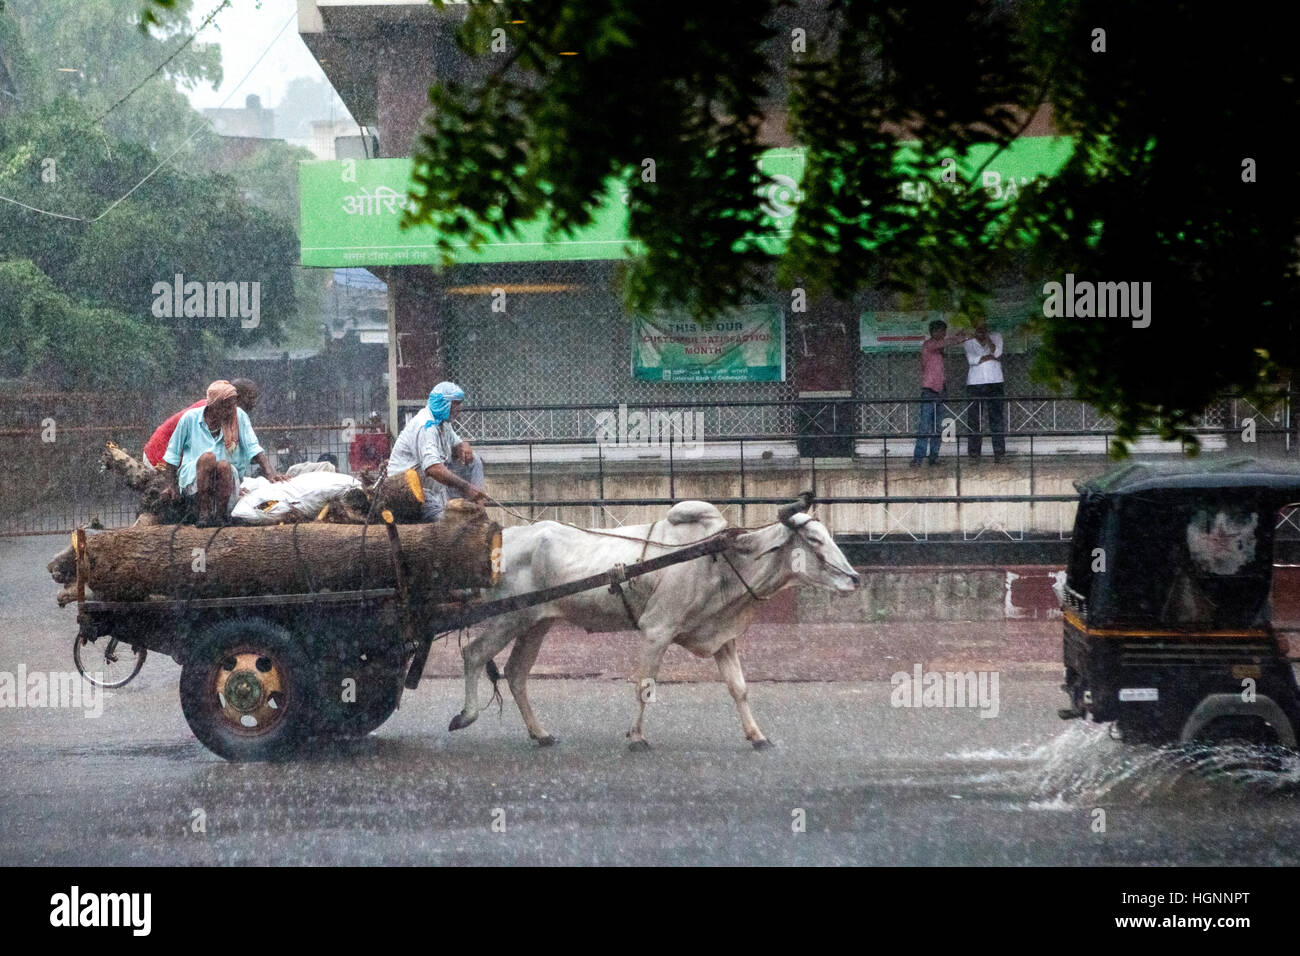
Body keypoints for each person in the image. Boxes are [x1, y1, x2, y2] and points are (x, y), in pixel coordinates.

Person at [158, 380, 285, 526]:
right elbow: (172, 454)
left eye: (233, 405)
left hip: (226, 480)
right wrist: (171, 485)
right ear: (213, 405)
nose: (232, 410)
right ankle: (203, 513)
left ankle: (221, 516)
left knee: (224, 465)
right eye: (227, 406)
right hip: (193, 480)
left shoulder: (239, 416)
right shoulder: (189, 418)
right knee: (208, 458)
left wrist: (270, 473)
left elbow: (253, 447)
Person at [386, 381, 487, 520]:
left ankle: (479, 508)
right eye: (455, 404)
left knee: (474, 459)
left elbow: (456, 445)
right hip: (411, 494)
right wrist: (466, 487)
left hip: (434, 489)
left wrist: (464, 445)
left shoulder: (442, 422)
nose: (459, 408)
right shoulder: (426, 426)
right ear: (442, 403)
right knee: (450, 526)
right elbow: (433, 469)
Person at [142, 378, 262, 469]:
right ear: (237, 397)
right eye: (251, 397)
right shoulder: (213, 410)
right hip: (158, 458)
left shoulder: (225, 412)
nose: (254, 403)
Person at [911, 319, 970, 466]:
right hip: (929, 391)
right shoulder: (929, 344)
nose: (944, 334)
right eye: (942, 331)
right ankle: (918, 458)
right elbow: (944, 343)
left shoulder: (937, 348)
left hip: (940, 390)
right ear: (934, 332)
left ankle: (933, 457)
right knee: (924, 426)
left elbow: (944, 343)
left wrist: (956, 336)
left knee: (938, 426)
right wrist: (960, 338)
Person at [963, 320, 1006, 462]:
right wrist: (987, 357)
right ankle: (974, 453)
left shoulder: (996, 336)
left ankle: (999, 453)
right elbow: (972, 359)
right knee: (975, 419)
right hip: (976, 382)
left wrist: (988, 339)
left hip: (995, 381)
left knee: (996, 417)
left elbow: (997, 353)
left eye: (983, 328)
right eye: (978, 328)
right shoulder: (969, 341)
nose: (981, 330)